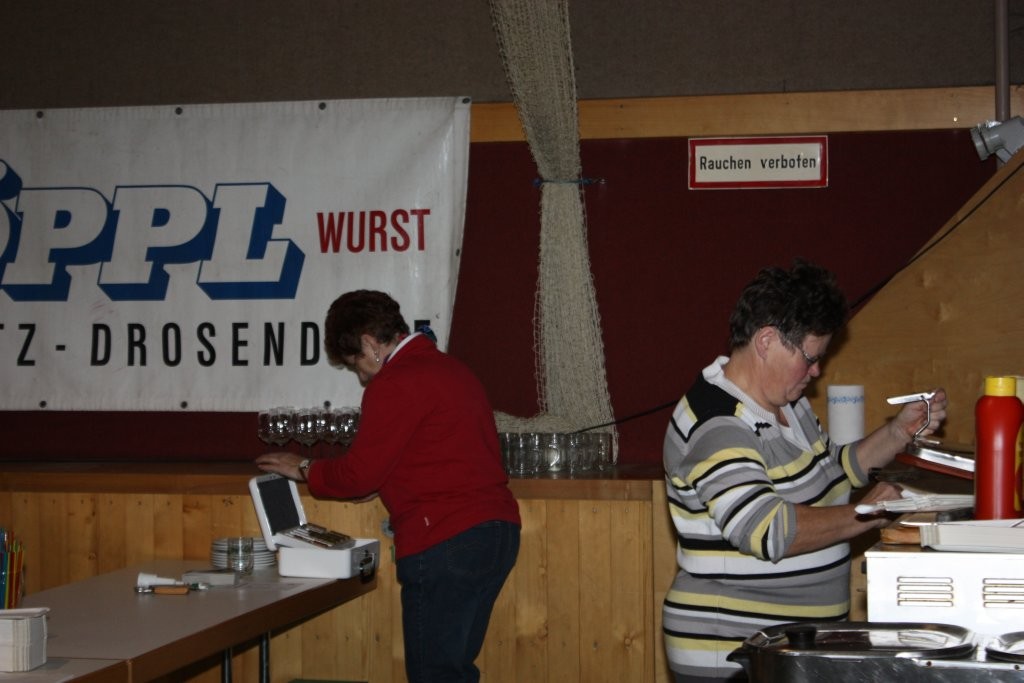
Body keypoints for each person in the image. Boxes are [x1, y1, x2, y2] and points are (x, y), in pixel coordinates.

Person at [661, 260, 947, 683]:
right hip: (730, 652)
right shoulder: (717, 422)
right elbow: (767, 530)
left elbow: (833, 472)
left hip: (782, 650)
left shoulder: (788, 404)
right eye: (810, 358)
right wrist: (867, 514)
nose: (816, 371)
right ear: (766, 341)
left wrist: (897, 433)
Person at [256, 289, 521, 683]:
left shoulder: (397, 381)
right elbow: (440, 454)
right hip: (494, 532)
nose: (362, 377)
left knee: (434, 675)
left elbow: (358, 476)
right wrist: (387, 483)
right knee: (453, 671)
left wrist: (306, 467)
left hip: (444, 537)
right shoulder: (450, 369)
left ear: (369, 344)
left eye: (356, 364)